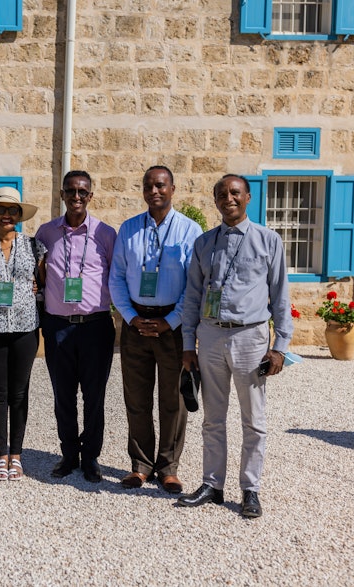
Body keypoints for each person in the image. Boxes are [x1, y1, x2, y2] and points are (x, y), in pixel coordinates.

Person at [177, 174, 293, 519]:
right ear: (215, 200)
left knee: (253, 419)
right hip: (211, 336)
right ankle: (212, 484)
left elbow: (281, 296)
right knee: (213, 418)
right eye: (222, 194)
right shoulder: (204, 243)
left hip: (250, 338)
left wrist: (280, 346)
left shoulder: (268, 241)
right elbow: (194, 296)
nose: (228, 198)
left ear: (248, 198)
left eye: (235, 193)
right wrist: (188, 343)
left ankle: (250, 489)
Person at [109, 166, 203, 492]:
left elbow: (194, 284)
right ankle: (140, 465)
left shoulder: (190, 231)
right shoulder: (129, 229)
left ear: (173, 189)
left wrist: (171, 320)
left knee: (173, 400)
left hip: (173, 325)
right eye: (149, 185)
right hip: (136, 322)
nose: (154, 191)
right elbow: (117, 278)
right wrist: (131, 317)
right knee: (136, 397)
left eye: (161, 185)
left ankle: (168, 467)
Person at [35, 170, 117, 483]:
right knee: (63, 395)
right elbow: (38, 275)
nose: (77, 197)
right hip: (58, 327)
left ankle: (91, 457)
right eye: (71, 191)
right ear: (62, 194)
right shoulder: (46, 233)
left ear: (91, 196)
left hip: (96, 326)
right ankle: (69, 454)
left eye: (83, 191)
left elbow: (116, 277)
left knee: (94, 396)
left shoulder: (105, 234)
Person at [0, 187, 45, 481]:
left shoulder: (35, 246)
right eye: (0, 209)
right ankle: (0, 455)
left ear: (19, 215)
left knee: (19, 392)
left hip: (25, 328)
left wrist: (36, 290)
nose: (6, 215)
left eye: (12, 210)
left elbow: (43, 281)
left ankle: (17, 454)